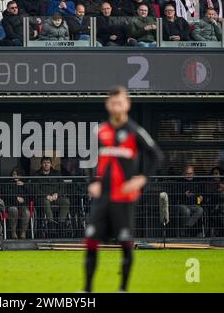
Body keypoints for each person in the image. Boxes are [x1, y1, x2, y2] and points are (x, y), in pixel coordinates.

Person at [83, 86, 163, 293]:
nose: (116, 107)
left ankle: (123, 289)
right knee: (90, 240)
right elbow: (88, 158)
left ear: (127, 104)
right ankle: (86, 290)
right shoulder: (99, 131)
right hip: (103, 199)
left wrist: (142, 179)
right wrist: (92, 181)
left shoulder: (135, 131)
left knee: (126, 244)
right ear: (107, 105)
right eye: (112, 103)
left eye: (120, 103)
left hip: (124, 199)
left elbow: (157, 155)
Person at [34, 156, 71, 227]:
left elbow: (62, 186)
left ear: (51, 164)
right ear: (41, 164)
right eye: (44, 162)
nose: (46, 164)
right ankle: (51, 225)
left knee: (66, 201)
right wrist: (46, 196)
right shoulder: (36, 175)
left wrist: (57, 194)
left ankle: (61, 224)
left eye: (48, 162)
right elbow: (35, 189)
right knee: (46, 202)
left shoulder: (57, 173)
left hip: (56, 197)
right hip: (42, 198)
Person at [176, 165, 204, 237]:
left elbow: (201, 193)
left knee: (200, 209)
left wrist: (201, 197)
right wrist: (184, 194)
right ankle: (187, 230)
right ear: (184, 174)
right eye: (187, 173)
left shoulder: (197, 182)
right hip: (182, 204)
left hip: (194, 204)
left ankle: (186, 227)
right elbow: (175, 195)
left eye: (191, 173)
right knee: (186, 211)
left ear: (194, 174)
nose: (189, 175)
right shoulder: (179, 182)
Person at [6, 167, 31, 239]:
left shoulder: (25, 184)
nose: (16, 176)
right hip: (11, 204)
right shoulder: (8, 183)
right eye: (14, 174)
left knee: (26, 212)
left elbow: (30, 195)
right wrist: (16, 198)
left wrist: (23, 199)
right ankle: (13, 232)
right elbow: (6, 194)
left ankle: (23, 232)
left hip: (23, 205)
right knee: (13, 210)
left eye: (18, 174)